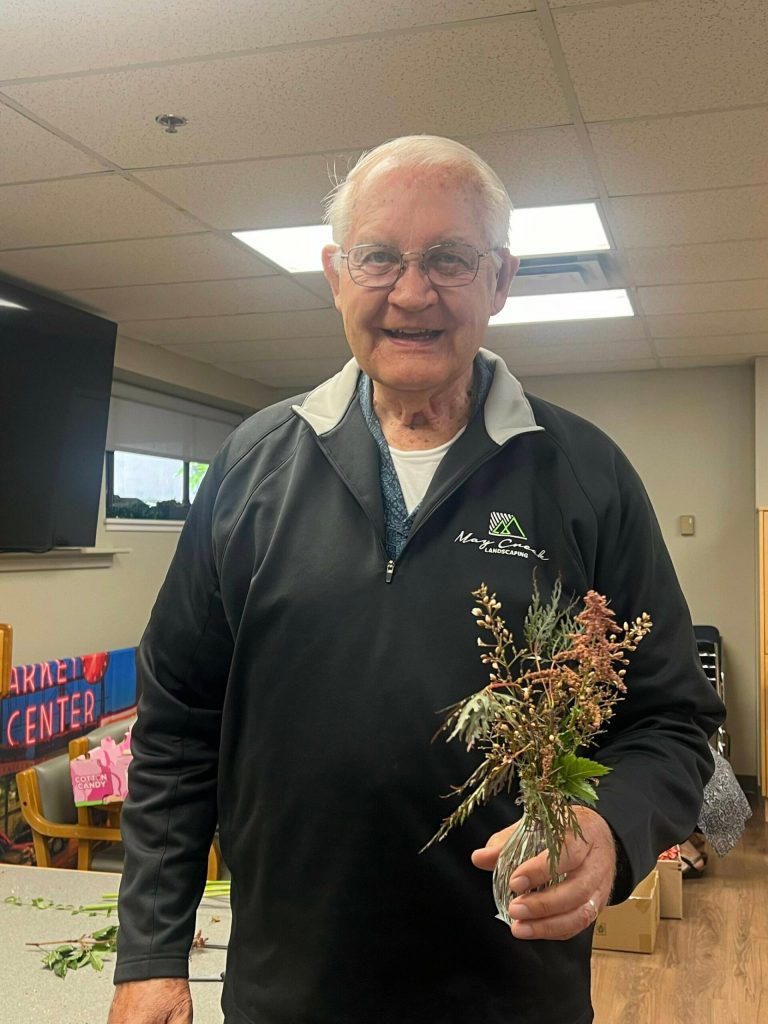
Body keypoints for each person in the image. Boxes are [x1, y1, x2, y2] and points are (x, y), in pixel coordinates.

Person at [107, 135, 725, 1024]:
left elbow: (672, 720)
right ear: (334, 273)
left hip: (511, 991)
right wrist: (152, 953)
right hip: (289, 989)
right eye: (379, 257)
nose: (411, 291)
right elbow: (176, 728)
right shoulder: (251, 467)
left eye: (449, 259)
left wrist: (611, 832)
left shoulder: (585, 475)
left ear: (500, 280)